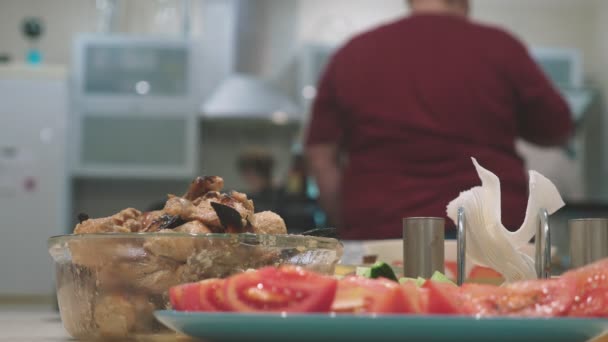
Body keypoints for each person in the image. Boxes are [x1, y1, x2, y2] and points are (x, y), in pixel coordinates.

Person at [304, 0, 574, 240]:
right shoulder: (501, 48)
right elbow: (559, 128)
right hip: (493, 238)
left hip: (379, 232)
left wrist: (349, 222)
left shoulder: (353, 52)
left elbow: (319, 155)